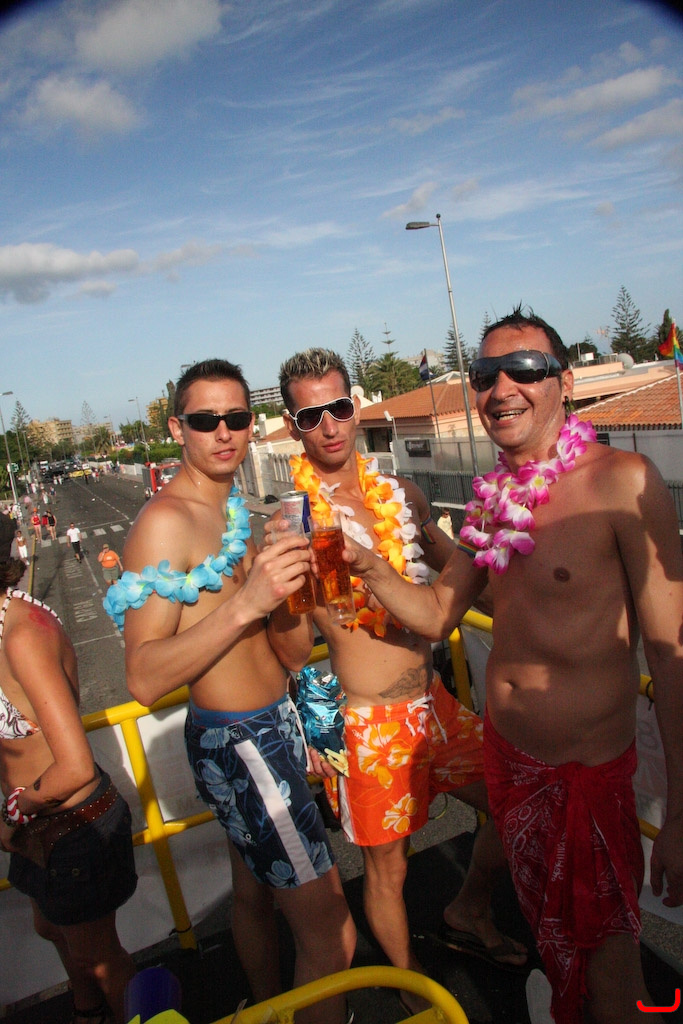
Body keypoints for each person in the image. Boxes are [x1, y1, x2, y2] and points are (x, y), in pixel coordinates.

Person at [343, 308, 683, 1024]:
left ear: (564, 382)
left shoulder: (624, 482)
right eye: (484, 374)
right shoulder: (492, 497)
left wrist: (681, 811)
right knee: (550, 937)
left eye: (523, 369)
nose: (501, 388)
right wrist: (365, 564)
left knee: (610, 967)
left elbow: (670, 652)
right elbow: (437, 613)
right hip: (509, 762)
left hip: (583, 781)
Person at [277, 348, 526, 1016]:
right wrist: (281, 591)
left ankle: (468, 909)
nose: (330, 425)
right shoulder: (296, 522)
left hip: (436, 705)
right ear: (292, 426)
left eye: (338, 407)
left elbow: (460, 580)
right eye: (311, 415)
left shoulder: (402, 496)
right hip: (371, 726)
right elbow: (292, 649)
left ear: (354, 406)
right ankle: (416, 992)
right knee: (389, 869)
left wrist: (535, 608)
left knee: (512, 806)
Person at [107, 359, 356, 1024]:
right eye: (205, 419)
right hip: (243, 742)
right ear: (176, 429)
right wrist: (247, 601)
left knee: (253, 897)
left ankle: (267, 1006)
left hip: (271, 724)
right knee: (331, 935)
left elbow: (288, 653)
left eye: (236, 417)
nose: (223, 432)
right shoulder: (165, 523)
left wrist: (293, 592)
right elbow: (143, 677)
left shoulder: (236, 511)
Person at [0, 512, 137, 1024]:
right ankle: (87, 1012)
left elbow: (75, 766)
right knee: (53, 930)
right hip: (38, 823)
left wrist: (15, 812)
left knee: (100, 959)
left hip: (71, 827)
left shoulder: (22, 636)